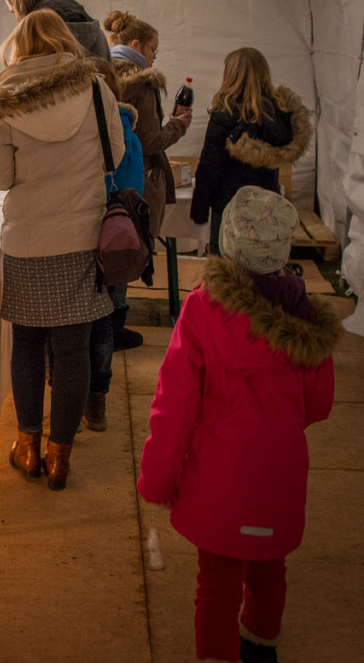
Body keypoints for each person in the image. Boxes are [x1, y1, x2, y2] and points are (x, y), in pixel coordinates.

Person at [138, 186, 339, 663]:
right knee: (269, 573)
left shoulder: (205, 309)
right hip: (279, 476)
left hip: (219, 483)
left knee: (216, 584)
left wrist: (157, 480)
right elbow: (320, 405)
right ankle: (260, 649)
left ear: (229, 242)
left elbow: (175, 405)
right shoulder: (307, 316)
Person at [0, 9, 124, 490]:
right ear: (64, 42)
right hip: (82, 234)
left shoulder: (2, 100)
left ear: (18, 47)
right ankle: (60, 456)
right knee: (73, 348)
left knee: (27, 344)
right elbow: (116, 154)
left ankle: (27, 447)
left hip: (27, 238)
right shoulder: (94, 88)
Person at [103, 9, 192, 349]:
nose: (156, 56)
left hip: (106, 178)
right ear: (137, 44)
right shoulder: (143, 81)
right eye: (155, 49)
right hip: (138, 180)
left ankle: (107, 325)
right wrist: (179, 126)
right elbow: (151, 141)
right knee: (129, 247)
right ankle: (115, 327)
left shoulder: (102, 75)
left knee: (109, 247)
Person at [190, 48, 310, 254]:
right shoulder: (282, 114)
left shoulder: (225, 114)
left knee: (225, 271)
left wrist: (199, 208)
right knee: (263, 264)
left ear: (231, 76)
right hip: (267, 203)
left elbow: (210, 166)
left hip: (229, 206)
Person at [82, 57, 144, 431]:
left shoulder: (87, 129)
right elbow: (132, 188)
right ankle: (97, 403)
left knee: (77, 323)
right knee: (105, 318)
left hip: (86, 232)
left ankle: (71, 399)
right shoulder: (129, 132)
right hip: (117, 238)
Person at [1, 0, 110, 59]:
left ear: (19, 2)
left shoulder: (34, 34)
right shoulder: (94, 29)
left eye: (14, 10)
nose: (17, 16)